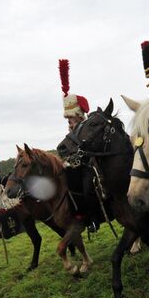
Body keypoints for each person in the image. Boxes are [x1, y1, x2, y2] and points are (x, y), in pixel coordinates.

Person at [58, 59, 103, 232]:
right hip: (77, 167)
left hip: (91, 164)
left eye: (71, 118)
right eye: (67, 118)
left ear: (78, 115)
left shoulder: (85, 128)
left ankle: (94, 219)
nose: (69, 121)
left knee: (87, 189)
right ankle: (79, 215)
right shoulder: (70, 133)